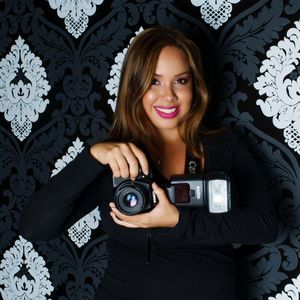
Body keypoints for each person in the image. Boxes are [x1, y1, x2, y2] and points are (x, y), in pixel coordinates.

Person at [19, 26, 278, 300]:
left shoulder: (225, 145)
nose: (168, 96)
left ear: (195, 86)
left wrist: (178, 221)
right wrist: (92, 156)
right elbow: (35, 228)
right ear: (134, 87)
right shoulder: (116, 158)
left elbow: (264, 226)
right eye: (154, 81)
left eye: (180, 81)